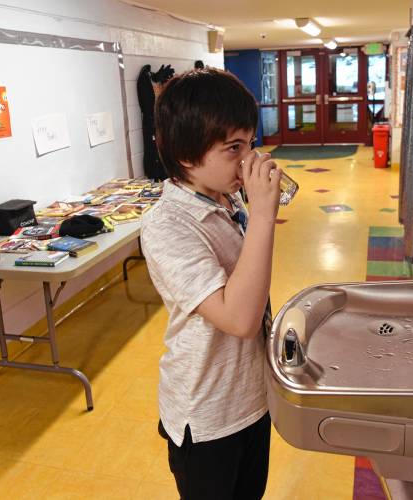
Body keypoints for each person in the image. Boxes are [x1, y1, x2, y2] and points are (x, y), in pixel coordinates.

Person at [140, 68, 280, 500]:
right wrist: (262, 217)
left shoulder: (225, 197)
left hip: (251, 399)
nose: (247, 160)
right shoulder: (166, 225)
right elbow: (237, 319)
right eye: (233, 148)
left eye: (250, 143)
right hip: (206, 417)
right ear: (187, 156)